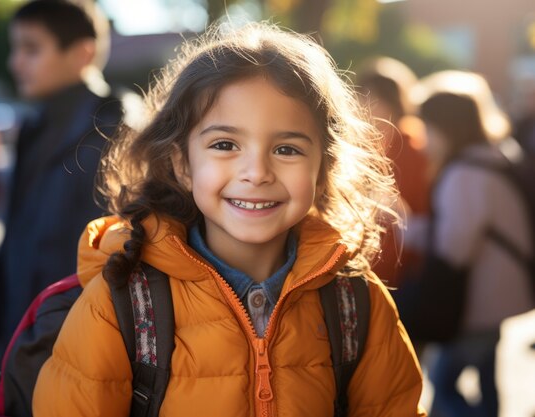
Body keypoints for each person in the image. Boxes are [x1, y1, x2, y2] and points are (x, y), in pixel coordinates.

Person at [32, 23, 426, 416]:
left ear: (322, 170)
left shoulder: (355, 302)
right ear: (182, 164)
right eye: (225, 145)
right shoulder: (122, 303)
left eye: (287, 149)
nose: (256, 172)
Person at [406, 71, 534, 417]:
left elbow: (454, 248)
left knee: (444, 386)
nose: (423, 141)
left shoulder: (464, 174)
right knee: (487, 382)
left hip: (480, 304)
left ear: (444, 127)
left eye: (426, 129)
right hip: (505, 292)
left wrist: (403, 229)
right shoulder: (495, 155)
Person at [0, 0, 122, 339]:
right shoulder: (35, 124)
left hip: (81, 334)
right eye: (15, 48)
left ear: (82, 53)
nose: (15, 62)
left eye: (31, 49)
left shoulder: (115, 129)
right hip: (24, 324)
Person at [356, 57, 430, 287]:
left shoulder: (414, 146)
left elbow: (421, 213)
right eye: (362, 97)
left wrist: (394, 206)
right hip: (366, 266)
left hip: (404, 270)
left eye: (375, 99)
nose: (366, 107)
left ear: (395, 103)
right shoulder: (359, 147)